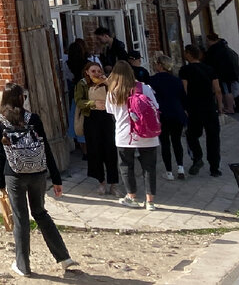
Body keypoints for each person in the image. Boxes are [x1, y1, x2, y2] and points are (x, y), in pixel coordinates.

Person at [0, 83, 74, 278]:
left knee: (21, 218)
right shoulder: (33, 118)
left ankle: (23, 265)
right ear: (22, 99)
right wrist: (56, 178)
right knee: (40, 213)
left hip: (14, 174)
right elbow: (46, 147)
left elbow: (0, 155)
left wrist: (0, 182)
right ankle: (63, 257)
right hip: (38, 173)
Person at [105, 59, 160, 210]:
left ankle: (132, 197)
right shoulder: (145, 88)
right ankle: (150, 201)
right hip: (147, 134)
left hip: (125, 135)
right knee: (149, 167)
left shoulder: (112, 92)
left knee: (126, 166)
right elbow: (156, 106)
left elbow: (110, 112)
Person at [74, 60, 118, 194]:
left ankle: (114, 184)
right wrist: (93, 104)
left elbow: (117, 95)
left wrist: (108, 83)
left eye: (99, 71)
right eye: (93, 71)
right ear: (87, 72)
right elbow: (78, 101)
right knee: (95, 151)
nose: (96, 74)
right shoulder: (82, 84)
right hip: (91, 120)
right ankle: (101, 182)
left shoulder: (106, 82)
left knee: (110, 150)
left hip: (106, 119)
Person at [181, 43, 224, 176]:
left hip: (194, 107)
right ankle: (214, 167)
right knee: (213, 137)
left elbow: (184, 90)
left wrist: (184, 106)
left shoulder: (185, 70)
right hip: (209, 106)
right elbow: (217, 89)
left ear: (188, 54)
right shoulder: (209, 69)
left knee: (192, 135)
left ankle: (197, 157)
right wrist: (220, 105)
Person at [149, 53, 187, 180]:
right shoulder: (176, 80)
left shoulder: (153, 80)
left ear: (160, 65)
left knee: (165, 142)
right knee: (177, 141)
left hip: (162, 114)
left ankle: (169, 171)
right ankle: (180, 168)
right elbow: (183, 97)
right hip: (177, 112)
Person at [205, 32, 239, 114]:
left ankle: (229, 108)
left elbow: (212, 62)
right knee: (226, 90)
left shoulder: (215, 49)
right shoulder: (224, 48)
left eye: (207, 41)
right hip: (228, 73)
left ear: (211, 40)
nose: (206, 43)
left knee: (226, 91)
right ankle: (229, 107)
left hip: (223, 74)